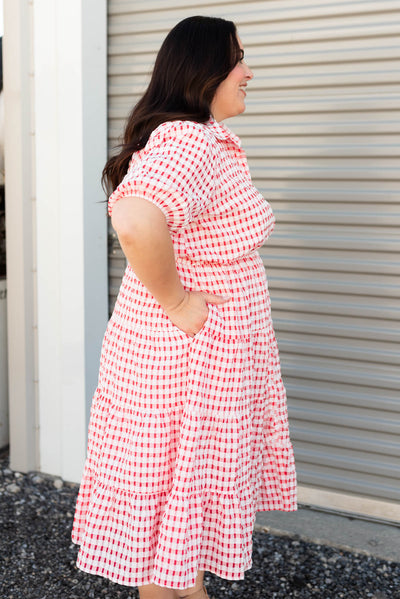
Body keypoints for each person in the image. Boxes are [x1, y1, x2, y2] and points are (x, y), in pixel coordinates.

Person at [72, 15, 296, 599]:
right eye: (238, 59)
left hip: (183, 360)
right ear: (204, 72)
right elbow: (136, 216)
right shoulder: (190, 140)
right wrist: (177, 299)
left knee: (173, 530)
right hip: (187, 364)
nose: (249, 72)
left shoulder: (196, 139)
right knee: (174, 513)